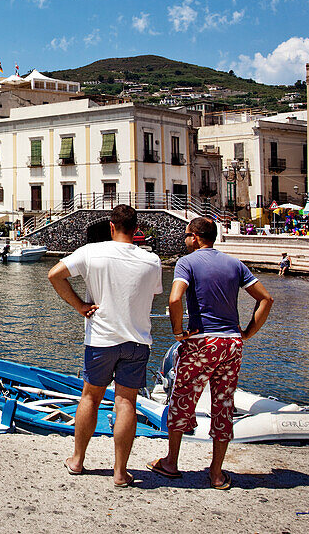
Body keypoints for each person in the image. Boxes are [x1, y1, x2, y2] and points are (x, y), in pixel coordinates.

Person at [148, 217, 274, 490]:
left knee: (182, 400)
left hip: (202, 343)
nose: (185, 240)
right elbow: (266, 298)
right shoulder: (235, 264)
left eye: (186, 236)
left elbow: (174, 298)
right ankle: (216, 474)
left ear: (195, 237)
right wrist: (248, 332)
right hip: (231, 344)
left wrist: (178, 331)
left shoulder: (187, 262)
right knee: (223, 404)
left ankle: (171, 462)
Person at [48, 204, 162, 487]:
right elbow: (152, 294)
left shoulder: (92, 252)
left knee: (90, 398)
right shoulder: (152, 261)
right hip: (137, 341)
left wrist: (80, 306)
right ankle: (120, 473)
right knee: (126, 403)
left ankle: (77, 461)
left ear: (111, 226)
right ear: (137, 230)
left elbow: (54, 275)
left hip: (100, 340)